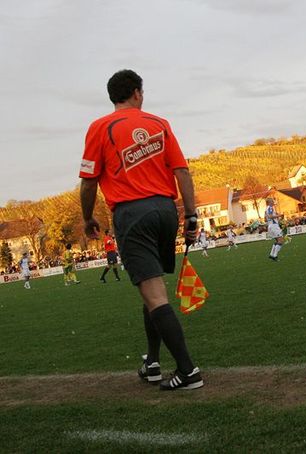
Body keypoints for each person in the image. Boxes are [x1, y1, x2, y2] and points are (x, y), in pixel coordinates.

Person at [79, 69, 203, 391]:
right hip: (165, 210)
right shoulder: (160, 124)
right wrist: (190, 216)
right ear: (137, 93)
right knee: (153, 288)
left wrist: (87, 217)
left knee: (154, 294)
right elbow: (181, 171)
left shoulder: (99, 127)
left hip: (132, 213)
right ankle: (152, 363)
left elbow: (89, 179)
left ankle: (188, 371)